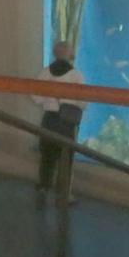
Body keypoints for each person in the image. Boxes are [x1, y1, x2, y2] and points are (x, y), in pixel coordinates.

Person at [32, 40, 88, 207]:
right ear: (70, 54)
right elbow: (83, 102)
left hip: (49, 119)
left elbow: (36, 96)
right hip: (67, 121)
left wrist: (49, 100)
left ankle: (43, 187)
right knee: (66, 158)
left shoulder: (45, 73)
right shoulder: (76, 75)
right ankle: (64, 194)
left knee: (47, 156)